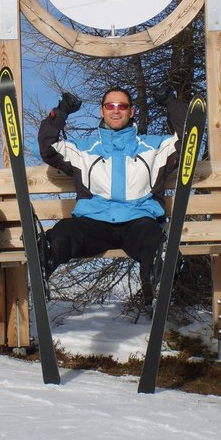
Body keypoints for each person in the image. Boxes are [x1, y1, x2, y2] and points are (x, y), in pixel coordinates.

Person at [37, 84, 188, 308]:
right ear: (102, 111)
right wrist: (62, 111)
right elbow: (47, 148)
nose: (116, 110)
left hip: (138, 222)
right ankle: (42, 264)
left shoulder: (154, 147)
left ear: (131, 111)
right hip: (93, 223)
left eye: (122, 106)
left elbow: (188, 139)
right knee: (63, 234)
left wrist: (171, 103)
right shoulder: (83, 150)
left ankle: (159, 283)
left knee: (154, 244)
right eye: (110, 105)